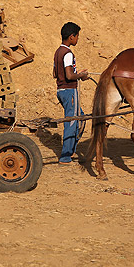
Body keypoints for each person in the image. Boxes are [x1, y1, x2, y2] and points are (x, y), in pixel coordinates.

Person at [53, 22, 89, 164]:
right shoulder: (67, 53)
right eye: (77, 36)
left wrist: (77, 72)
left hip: (61, 90)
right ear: (71, 36)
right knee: (72, 122)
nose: (78, 39)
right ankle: (65, 156)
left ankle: (71, 150)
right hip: (69, 91)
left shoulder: (58, 51)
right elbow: (68, 76)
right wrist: (81, 76)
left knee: (80, 119)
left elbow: (56, 73)